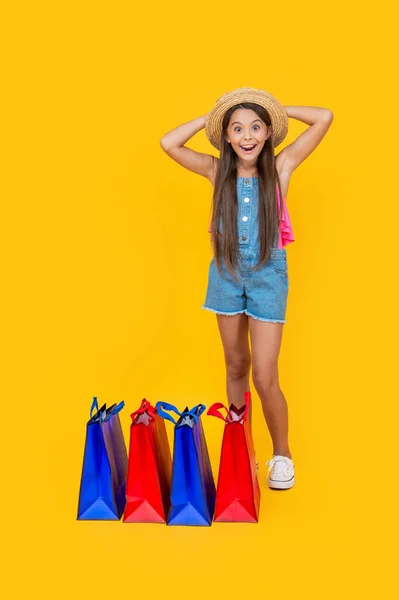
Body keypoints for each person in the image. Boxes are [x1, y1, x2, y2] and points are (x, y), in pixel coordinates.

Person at [160, 87, 333, 490]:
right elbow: (169, 143)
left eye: (256, 127)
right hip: (225, 273)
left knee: (264, 374)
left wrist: (273, 109)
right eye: (237, 129)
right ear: (227, 137)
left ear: (269, 132)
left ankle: (282, 455)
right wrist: (215, 117)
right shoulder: (216, 169)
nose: (248, 136)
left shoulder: (282, 167)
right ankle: (243, 454)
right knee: (235, 365)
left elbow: (323, 116)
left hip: (267, 276)